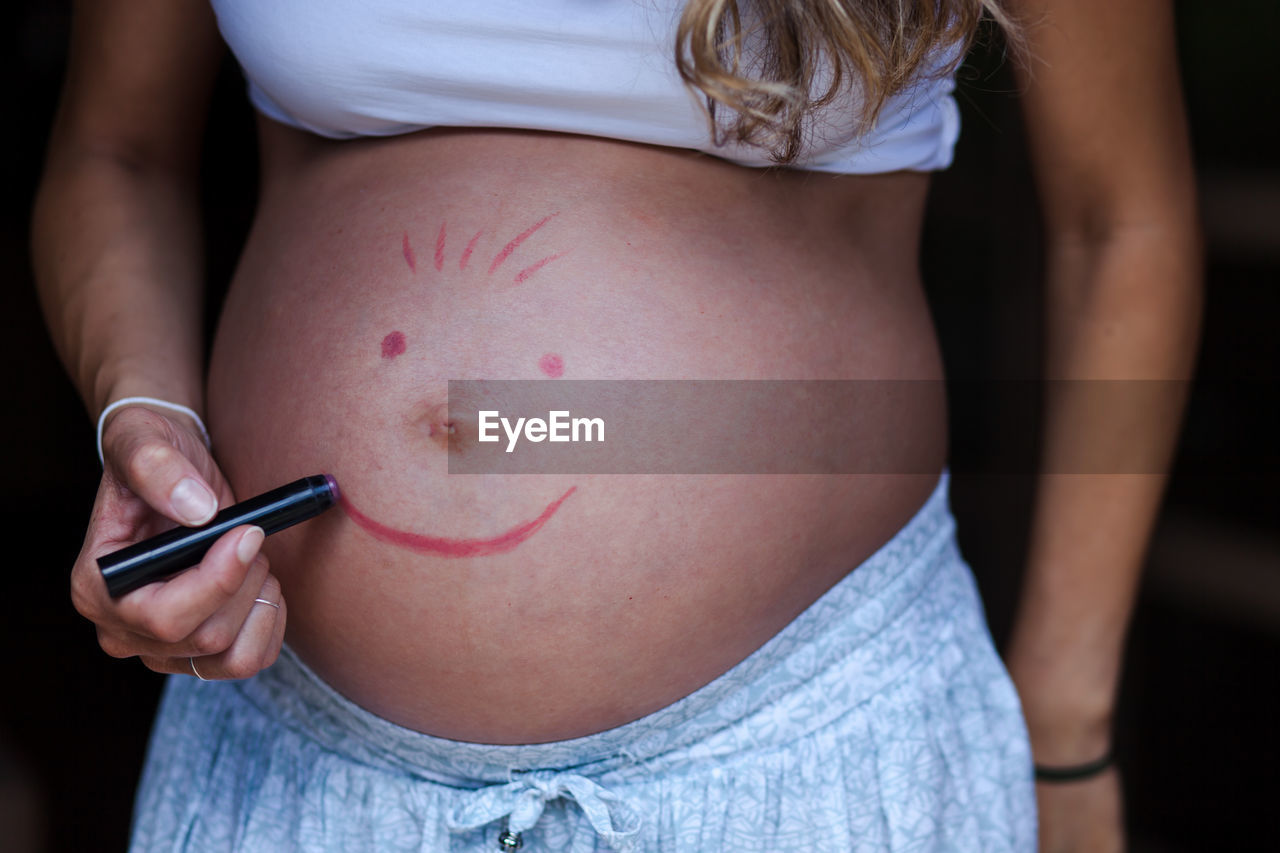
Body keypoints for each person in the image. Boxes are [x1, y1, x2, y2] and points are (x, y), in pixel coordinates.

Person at [32, 1, 1200, 850]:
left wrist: (1062, 723)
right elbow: (114, 150)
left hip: (814, 748)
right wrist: (146, 413)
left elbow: (1120, 223)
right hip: (295, 764)